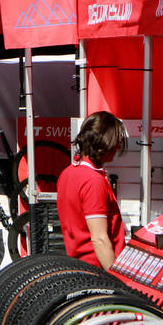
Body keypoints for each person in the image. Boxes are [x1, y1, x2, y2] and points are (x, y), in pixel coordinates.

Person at [57, 111, 128, 271]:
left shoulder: (68, 173)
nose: (118, 145)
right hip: (97, 270)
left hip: (79, 265)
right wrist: (117, 279)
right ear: (106, 143)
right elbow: (100, 239)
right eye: (117, 140)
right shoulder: (93, 180)